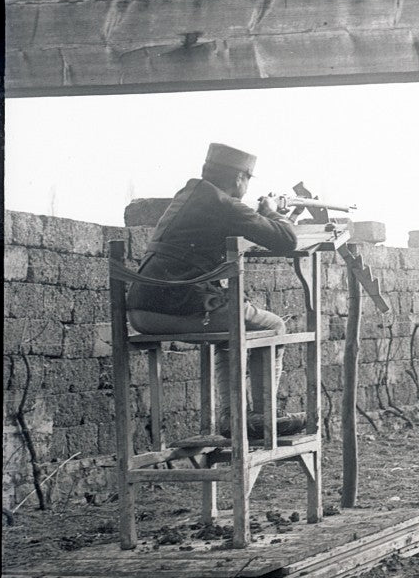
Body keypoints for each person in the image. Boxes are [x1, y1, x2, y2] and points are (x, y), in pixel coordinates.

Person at [127, 142, 303, 437]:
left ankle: (234, 418)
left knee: (232, 328)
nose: (245, 188)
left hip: (143, 311)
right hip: (172, 308)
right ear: (238, 179)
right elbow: (287, 240)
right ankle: (262, 418)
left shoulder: (191, 195)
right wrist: (273, 212)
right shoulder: (223, 204)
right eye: (246, 181)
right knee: (273, 325)